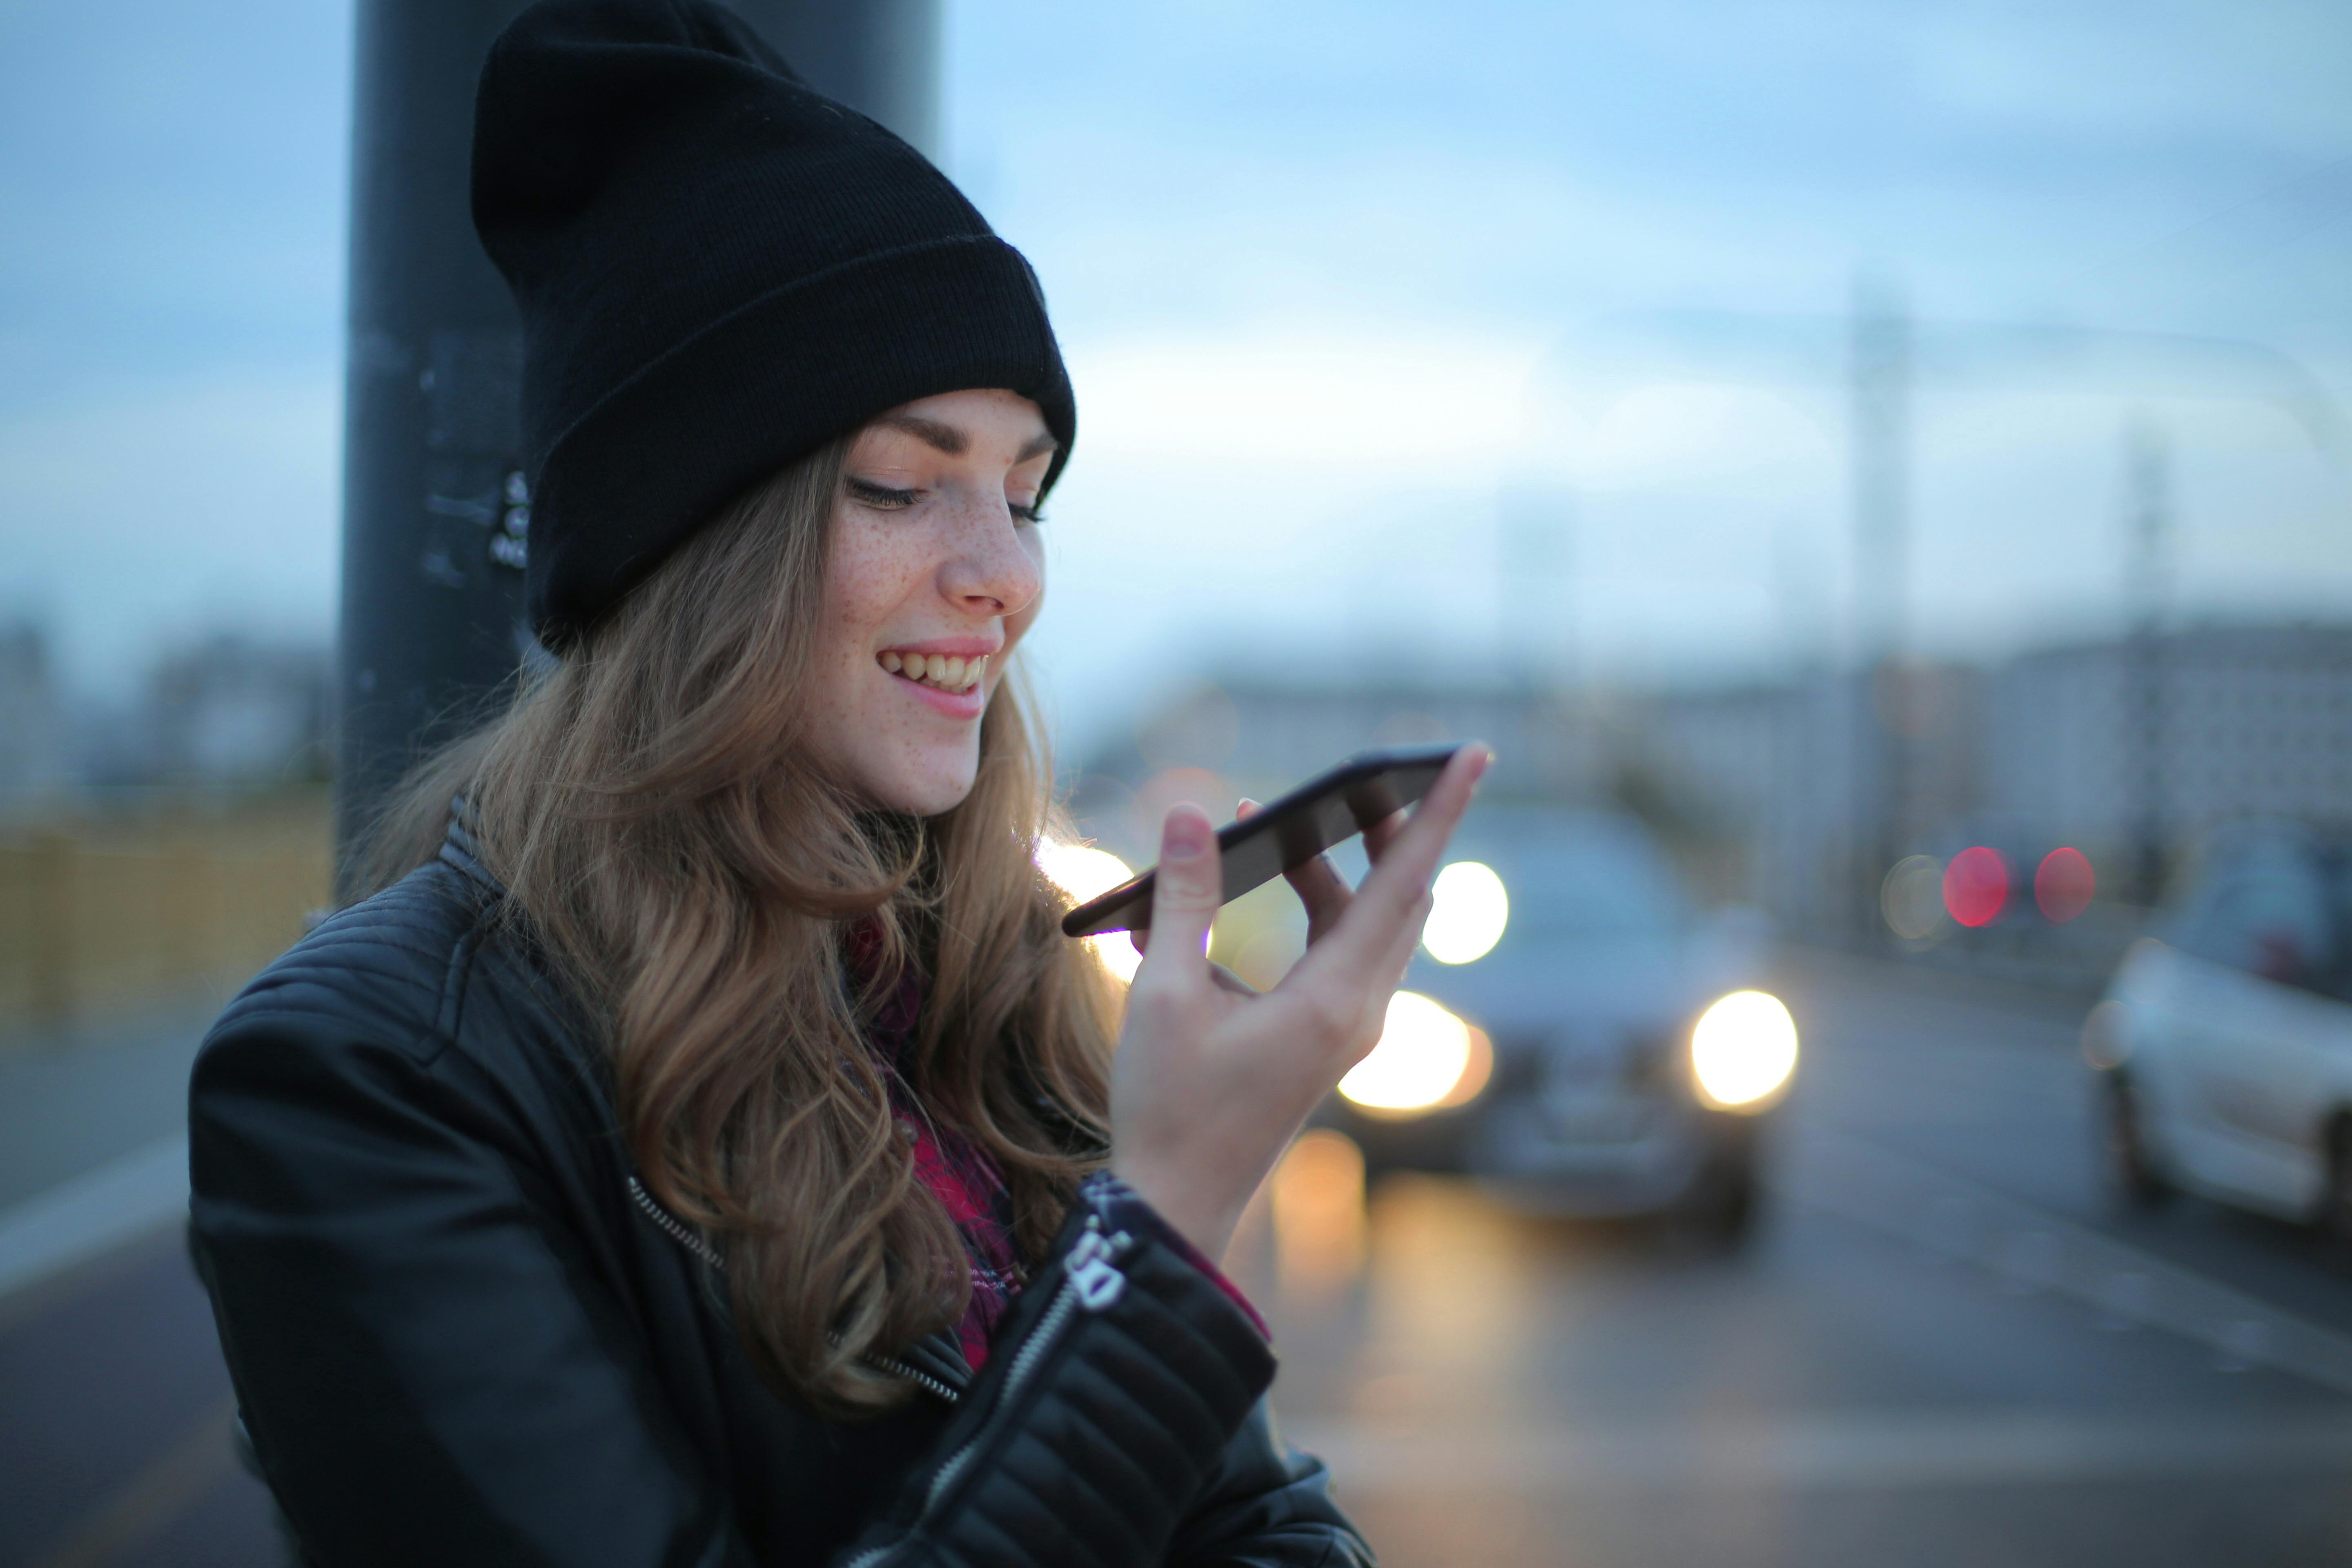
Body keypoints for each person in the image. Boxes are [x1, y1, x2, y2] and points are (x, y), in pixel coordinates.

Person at [187, 3, 1488, 1564]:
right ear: (698, 545)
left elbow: (1258, 1523)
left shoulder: (982, 990)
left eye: (1026, 495)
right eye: (902, 483)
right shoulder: (368, 1080)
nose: (1003, 578)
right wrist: (1164, 1230)